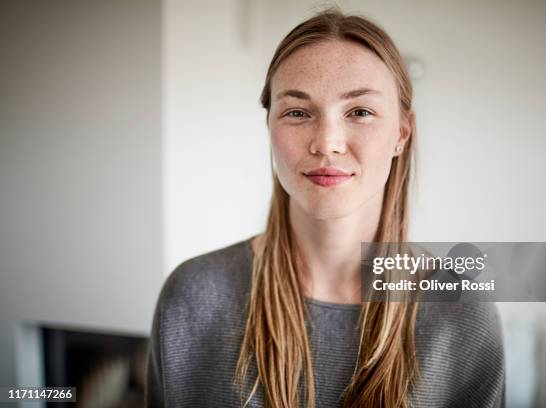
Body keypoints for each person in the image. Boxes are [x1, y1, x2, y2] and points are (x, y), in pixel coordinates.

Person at [145, 8, 505, 408]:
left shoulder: (461, 308)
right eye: (297, 113)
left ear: (402, 133)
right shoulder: (194, 295)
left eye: (360, 112)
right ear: (270, 128)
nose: (327, 143)